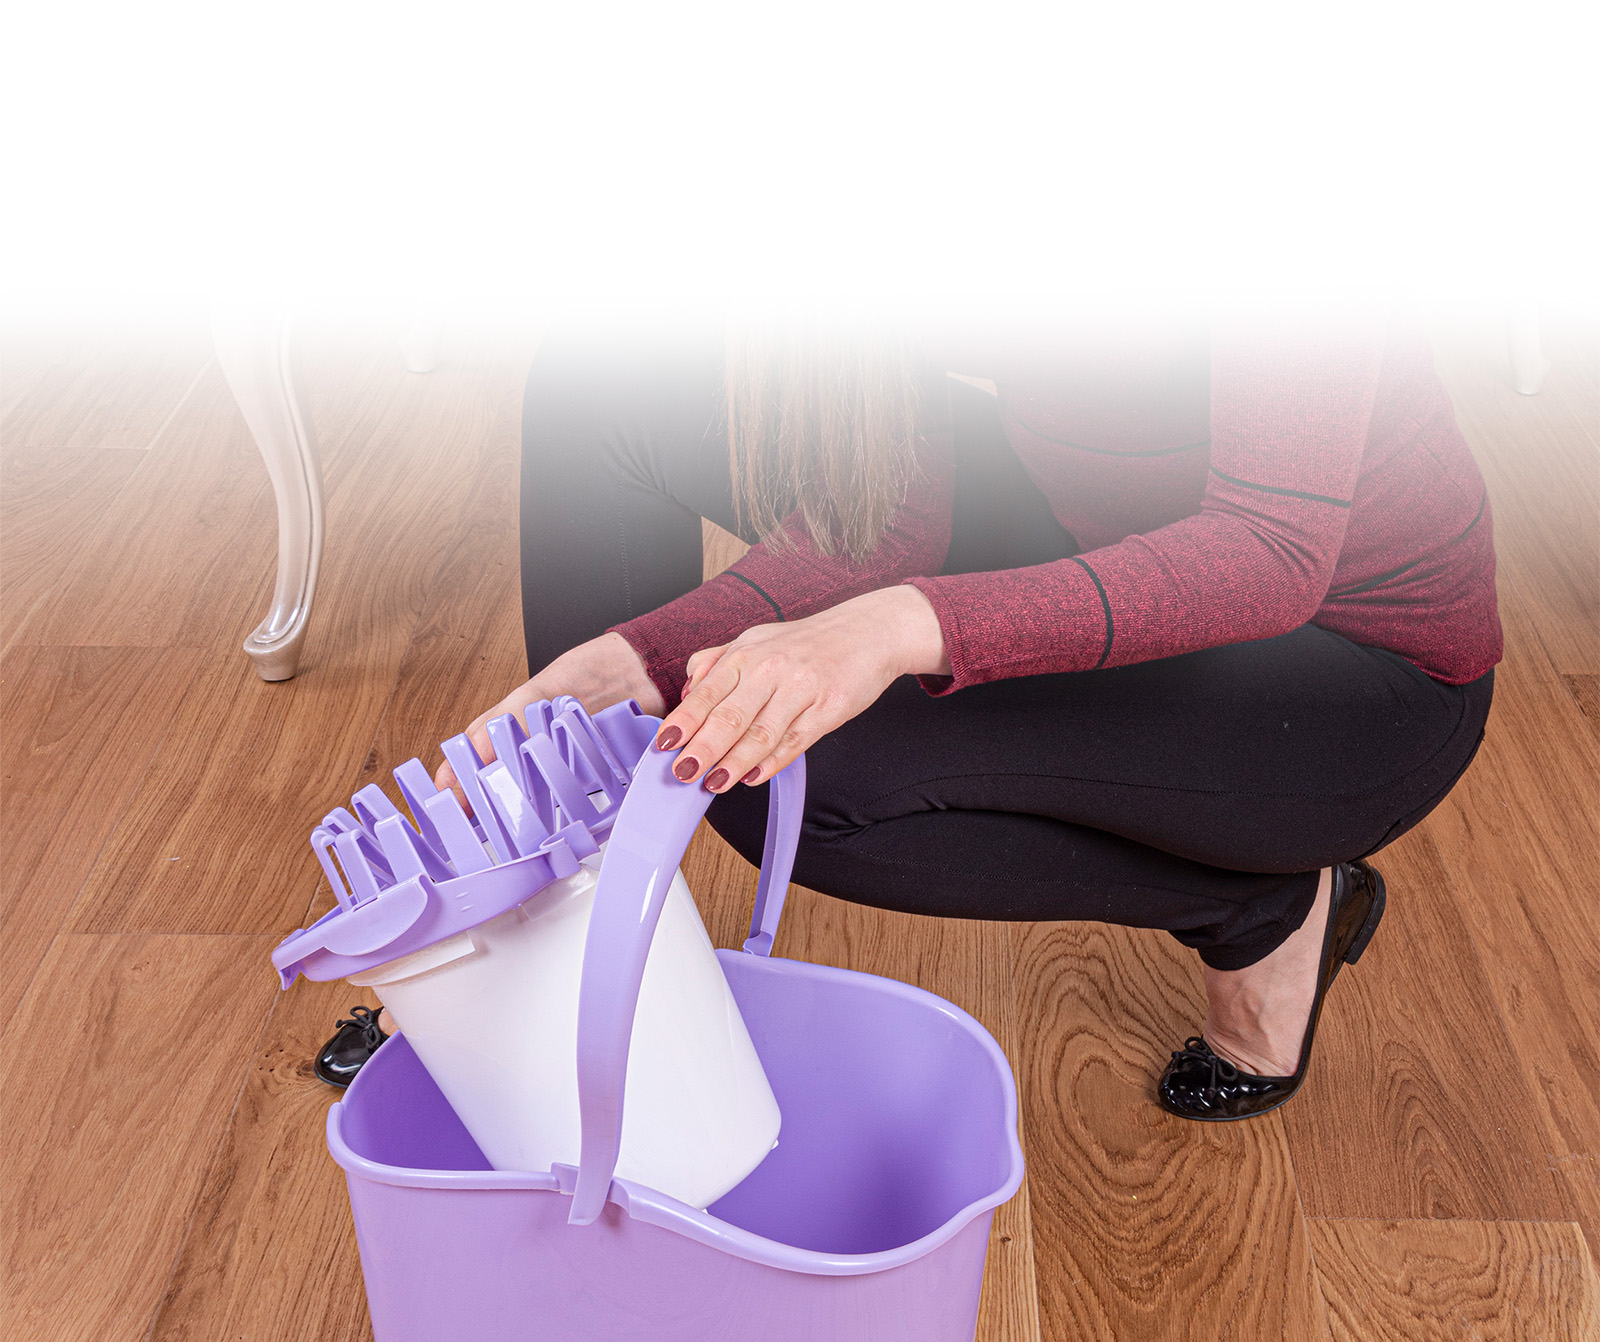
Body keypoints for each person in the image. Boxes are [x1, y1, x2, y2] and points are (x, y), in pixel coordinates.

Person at [318, 315, 1498, 1120]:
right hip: (1094, 528)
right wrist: (644, 655)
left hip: (1351, 677)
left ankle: (1262, 906)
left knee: (798, 774)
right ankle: (547, 929)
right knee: (605, 386)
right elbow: (888, 503)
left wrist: (887, 628)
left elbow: (1270, 551)